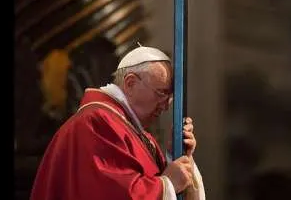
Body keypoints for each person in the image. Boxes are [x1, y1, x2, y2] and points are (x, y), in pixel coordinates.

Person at [30, 45, 206, 200]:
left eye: (170, 98)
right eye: (161, 93)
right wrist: (166, 185)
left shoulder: (134, 130)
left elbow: (157, 178)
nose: (166, 106)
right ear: (130, 83)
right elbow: (111, 194)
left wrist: (175, 155)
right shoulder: (96, 123)